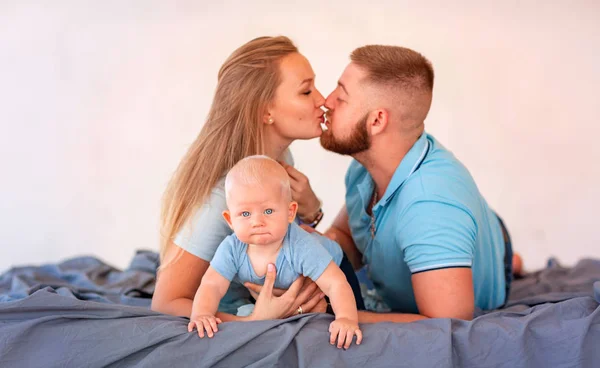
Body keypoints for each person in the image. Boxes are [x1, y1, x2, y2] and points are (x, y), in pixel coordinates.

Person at [151, 36, 363, 321]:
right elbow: (165, 302)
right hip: (243, 315)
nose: (322, 100)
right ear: (266, 111)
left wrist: (311, 210)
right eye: (306, 91)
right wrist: (254, 321)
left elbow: (281, 239)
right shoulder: (219, 197)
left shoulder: (279, 161)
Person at [319, 44, 517, 323]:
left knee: (444, 246)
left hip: (488, 250)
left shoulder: (430, 205)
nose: (327, 101)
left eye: (341, 96)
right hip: (442, 225)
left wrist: (341, 313)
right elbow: (346, 235)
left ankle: (499, 257)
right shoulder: (364, 168)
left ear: (377, 120)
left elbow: (447, 325)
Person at [188, 156, 362, 349]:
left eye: (268, 211)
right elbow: (212, 284)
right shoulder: (231, 248)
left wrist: (346, 318)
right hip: (281, 285)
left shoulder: (301, 246)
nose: (257, 221)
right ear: (230, 220)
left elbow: (335, 282)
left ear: (290, 212)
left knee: (348, 310)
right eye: (245, 214)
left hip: (335, 265)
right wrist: (202, 313)